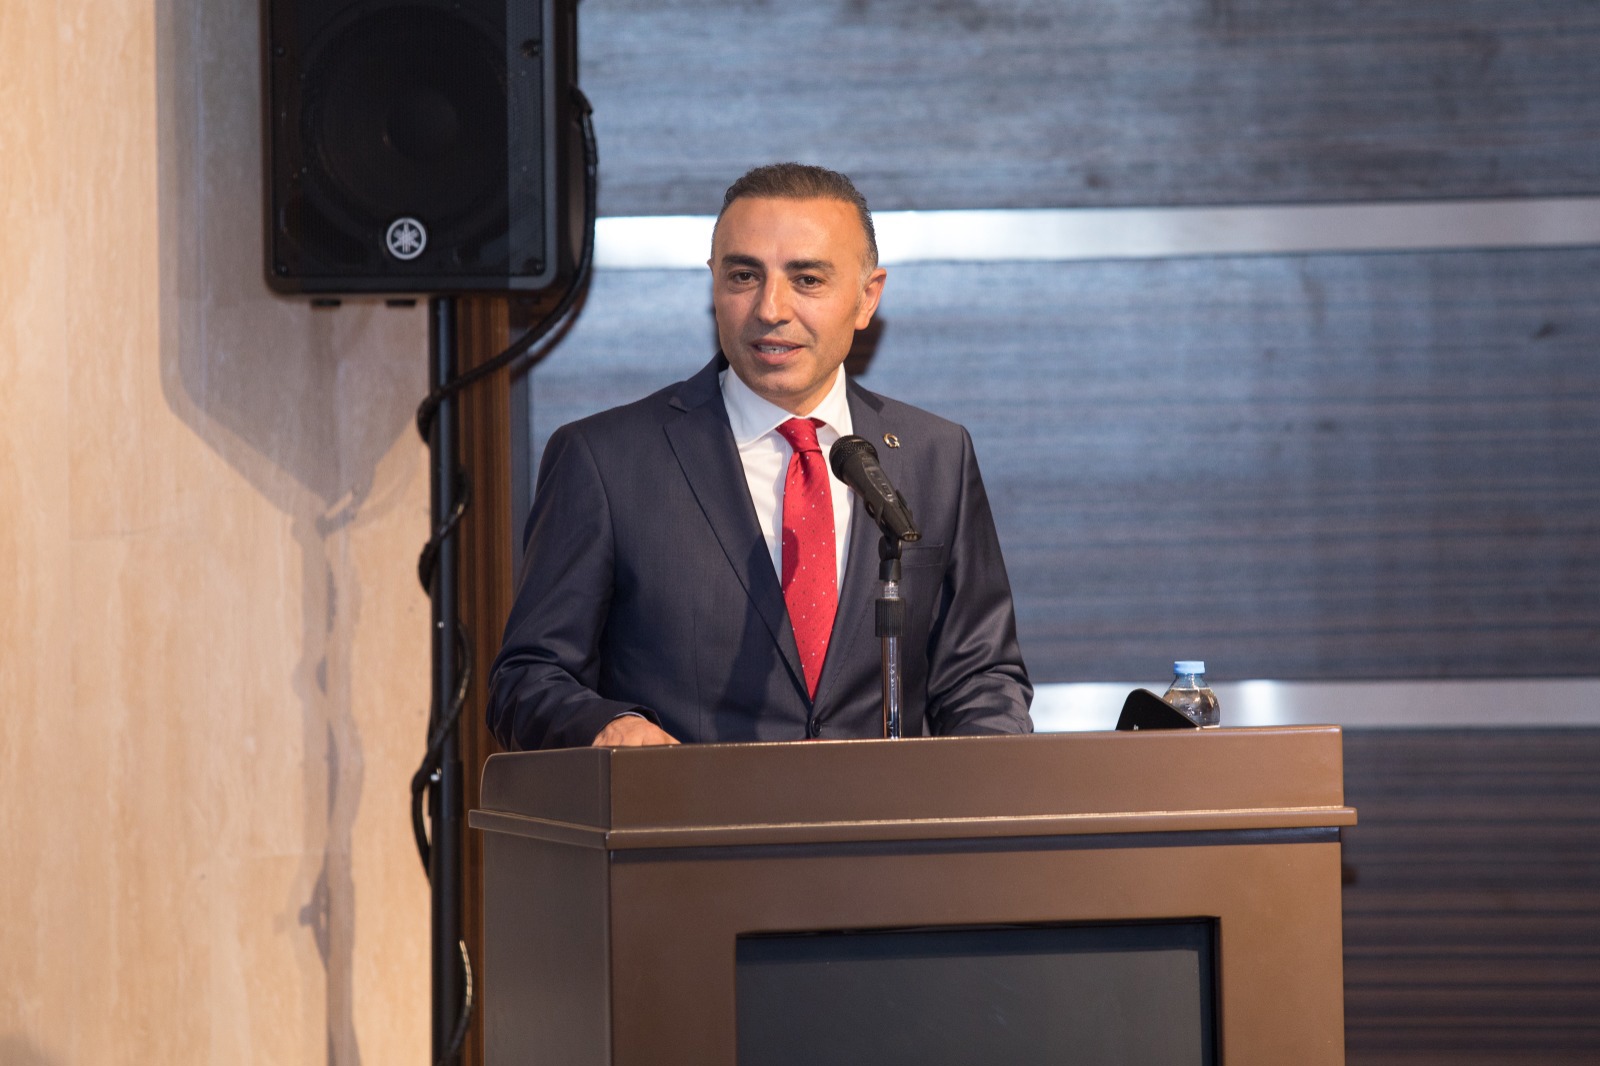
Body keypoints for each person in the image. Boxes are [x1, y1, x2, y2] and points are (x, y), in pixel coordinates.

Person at [486, 163, 1032, 749]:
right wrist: (606, 726)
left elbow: (980, 676)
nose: (771, 308)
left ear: (867, 297)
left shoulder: (935, 455)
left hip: (887, 809)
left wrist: (989, 775)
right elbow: (527, 679)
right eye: (744, 276)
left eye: (807, 280)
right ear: (713, 285)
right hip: (687, 806)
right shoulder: (605, 461)